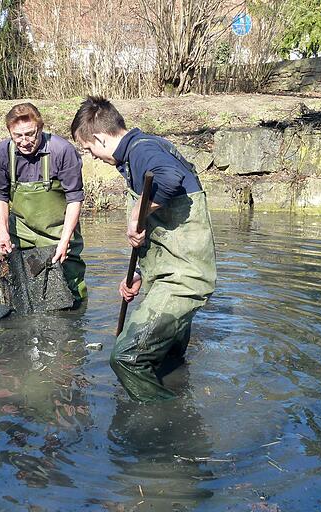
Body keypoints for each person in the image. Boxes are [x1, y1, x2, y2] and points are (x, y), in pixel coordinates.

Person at [70, 96, 216, 402]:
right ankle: (180, 404)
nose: (92, 156)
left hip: (181, 282)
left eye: (88, 149)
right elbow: (164, 228)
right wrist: (138, 272)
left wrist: (137, 214)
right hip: (168, 275)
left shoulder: (142, 151)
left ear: (99, 137)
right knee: (167, 364)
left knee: (126, 358)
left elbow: (169, 179)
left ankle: (166, 422)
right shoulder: (139, 152)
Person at [0, 103, 87, 304]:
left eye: (30, 134)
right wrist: (4, 232)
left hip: (58, 230)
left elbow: (74, 199)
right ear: (10, 132)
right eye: (18, 136)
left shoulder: (62, 151)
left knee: (69, 281)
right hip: (20, 228)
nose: (24, 142)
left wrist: (65, 241)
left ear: (40, 129)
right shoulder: (2, 152)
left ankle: (77, 323)